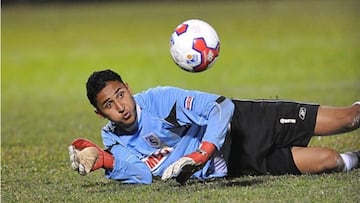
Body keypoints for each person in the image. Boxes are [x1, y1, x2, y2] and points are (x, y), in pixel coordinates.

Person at [68, 69, 360, 184]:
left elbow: (221, 107)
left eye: (120, 95)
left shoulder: (160, 100)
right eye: (109, 105)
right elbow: (143, 174)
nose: (120, 106)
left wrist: (202, 152)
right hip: (237, 161)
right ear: (100, 114)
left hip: (246, 123)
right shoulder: (116, 143)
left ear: (128, 89)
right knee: (329, 161)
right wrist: (103, 160)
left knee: (348, 119)